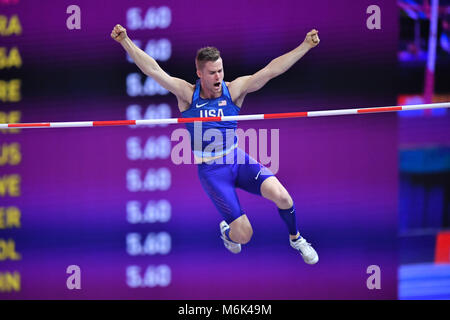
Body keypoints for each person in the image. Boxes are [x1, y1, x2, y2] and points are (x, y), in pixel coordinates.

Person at [111, 24, 320, 264]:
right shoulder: (188, 95)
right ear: (200, 73)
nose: (219, 77)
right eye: (212, 72)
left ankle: (297, 239)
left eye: (220, 70)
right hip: (212, 171)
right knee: (244, 235)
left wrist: (305, 46)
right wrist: (125, 41)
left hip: (237, 160)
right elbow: (154, 71)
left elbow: (271, 70)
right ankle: (227, 232)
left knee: (283, 197)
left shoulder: (234, 90)